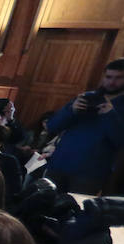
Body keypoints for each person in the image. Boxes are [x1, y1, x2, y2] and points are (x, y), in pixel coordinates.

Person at [42, 58, 124, 194]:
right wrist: (71, 111)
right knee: (42, 205)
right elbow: (52, 127)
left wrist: (110, 115)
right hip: (59, 164)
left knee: (76, 211)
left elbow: (120, 140)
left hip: (90, 173)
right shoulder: (87, 97)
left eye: (118, 78)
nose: (112, 82)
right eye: (108, 77)